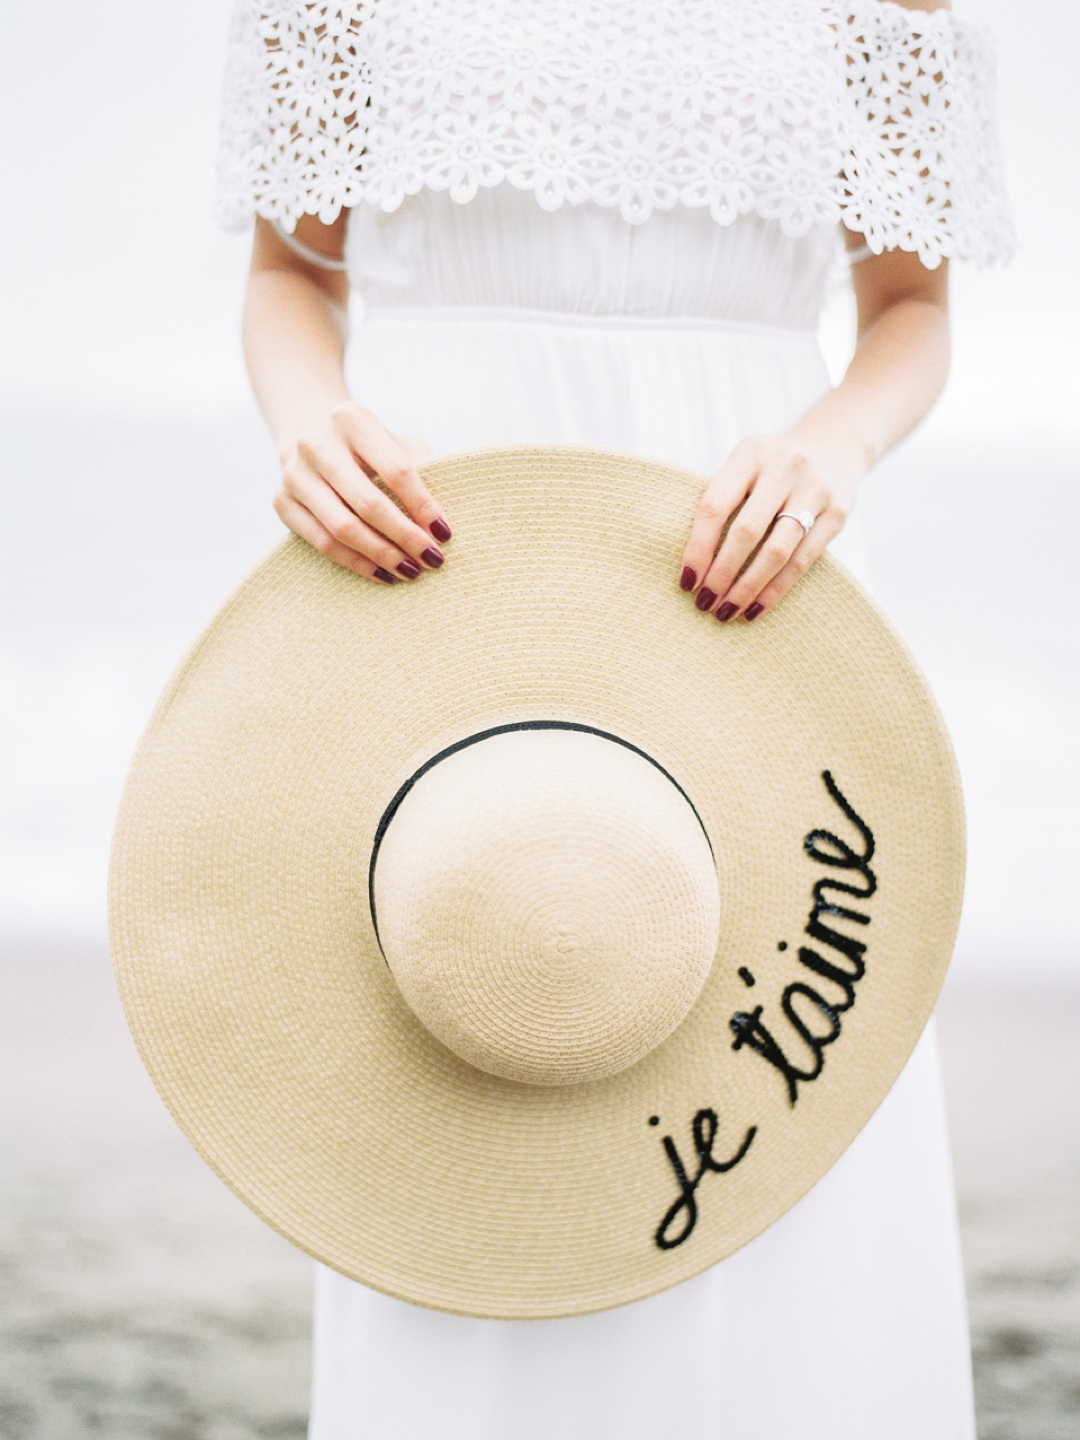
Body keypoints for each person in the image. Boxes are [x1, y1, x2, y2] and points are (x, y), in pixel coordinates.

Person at [217, 0, 1013, 1434]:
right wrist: (306, 422)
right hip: (441, 556)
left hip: (757, 558)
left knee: (778, 1076)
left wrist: (833, 446)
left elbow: (911, 310)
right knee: (469, 1018)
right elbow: (290, 272)